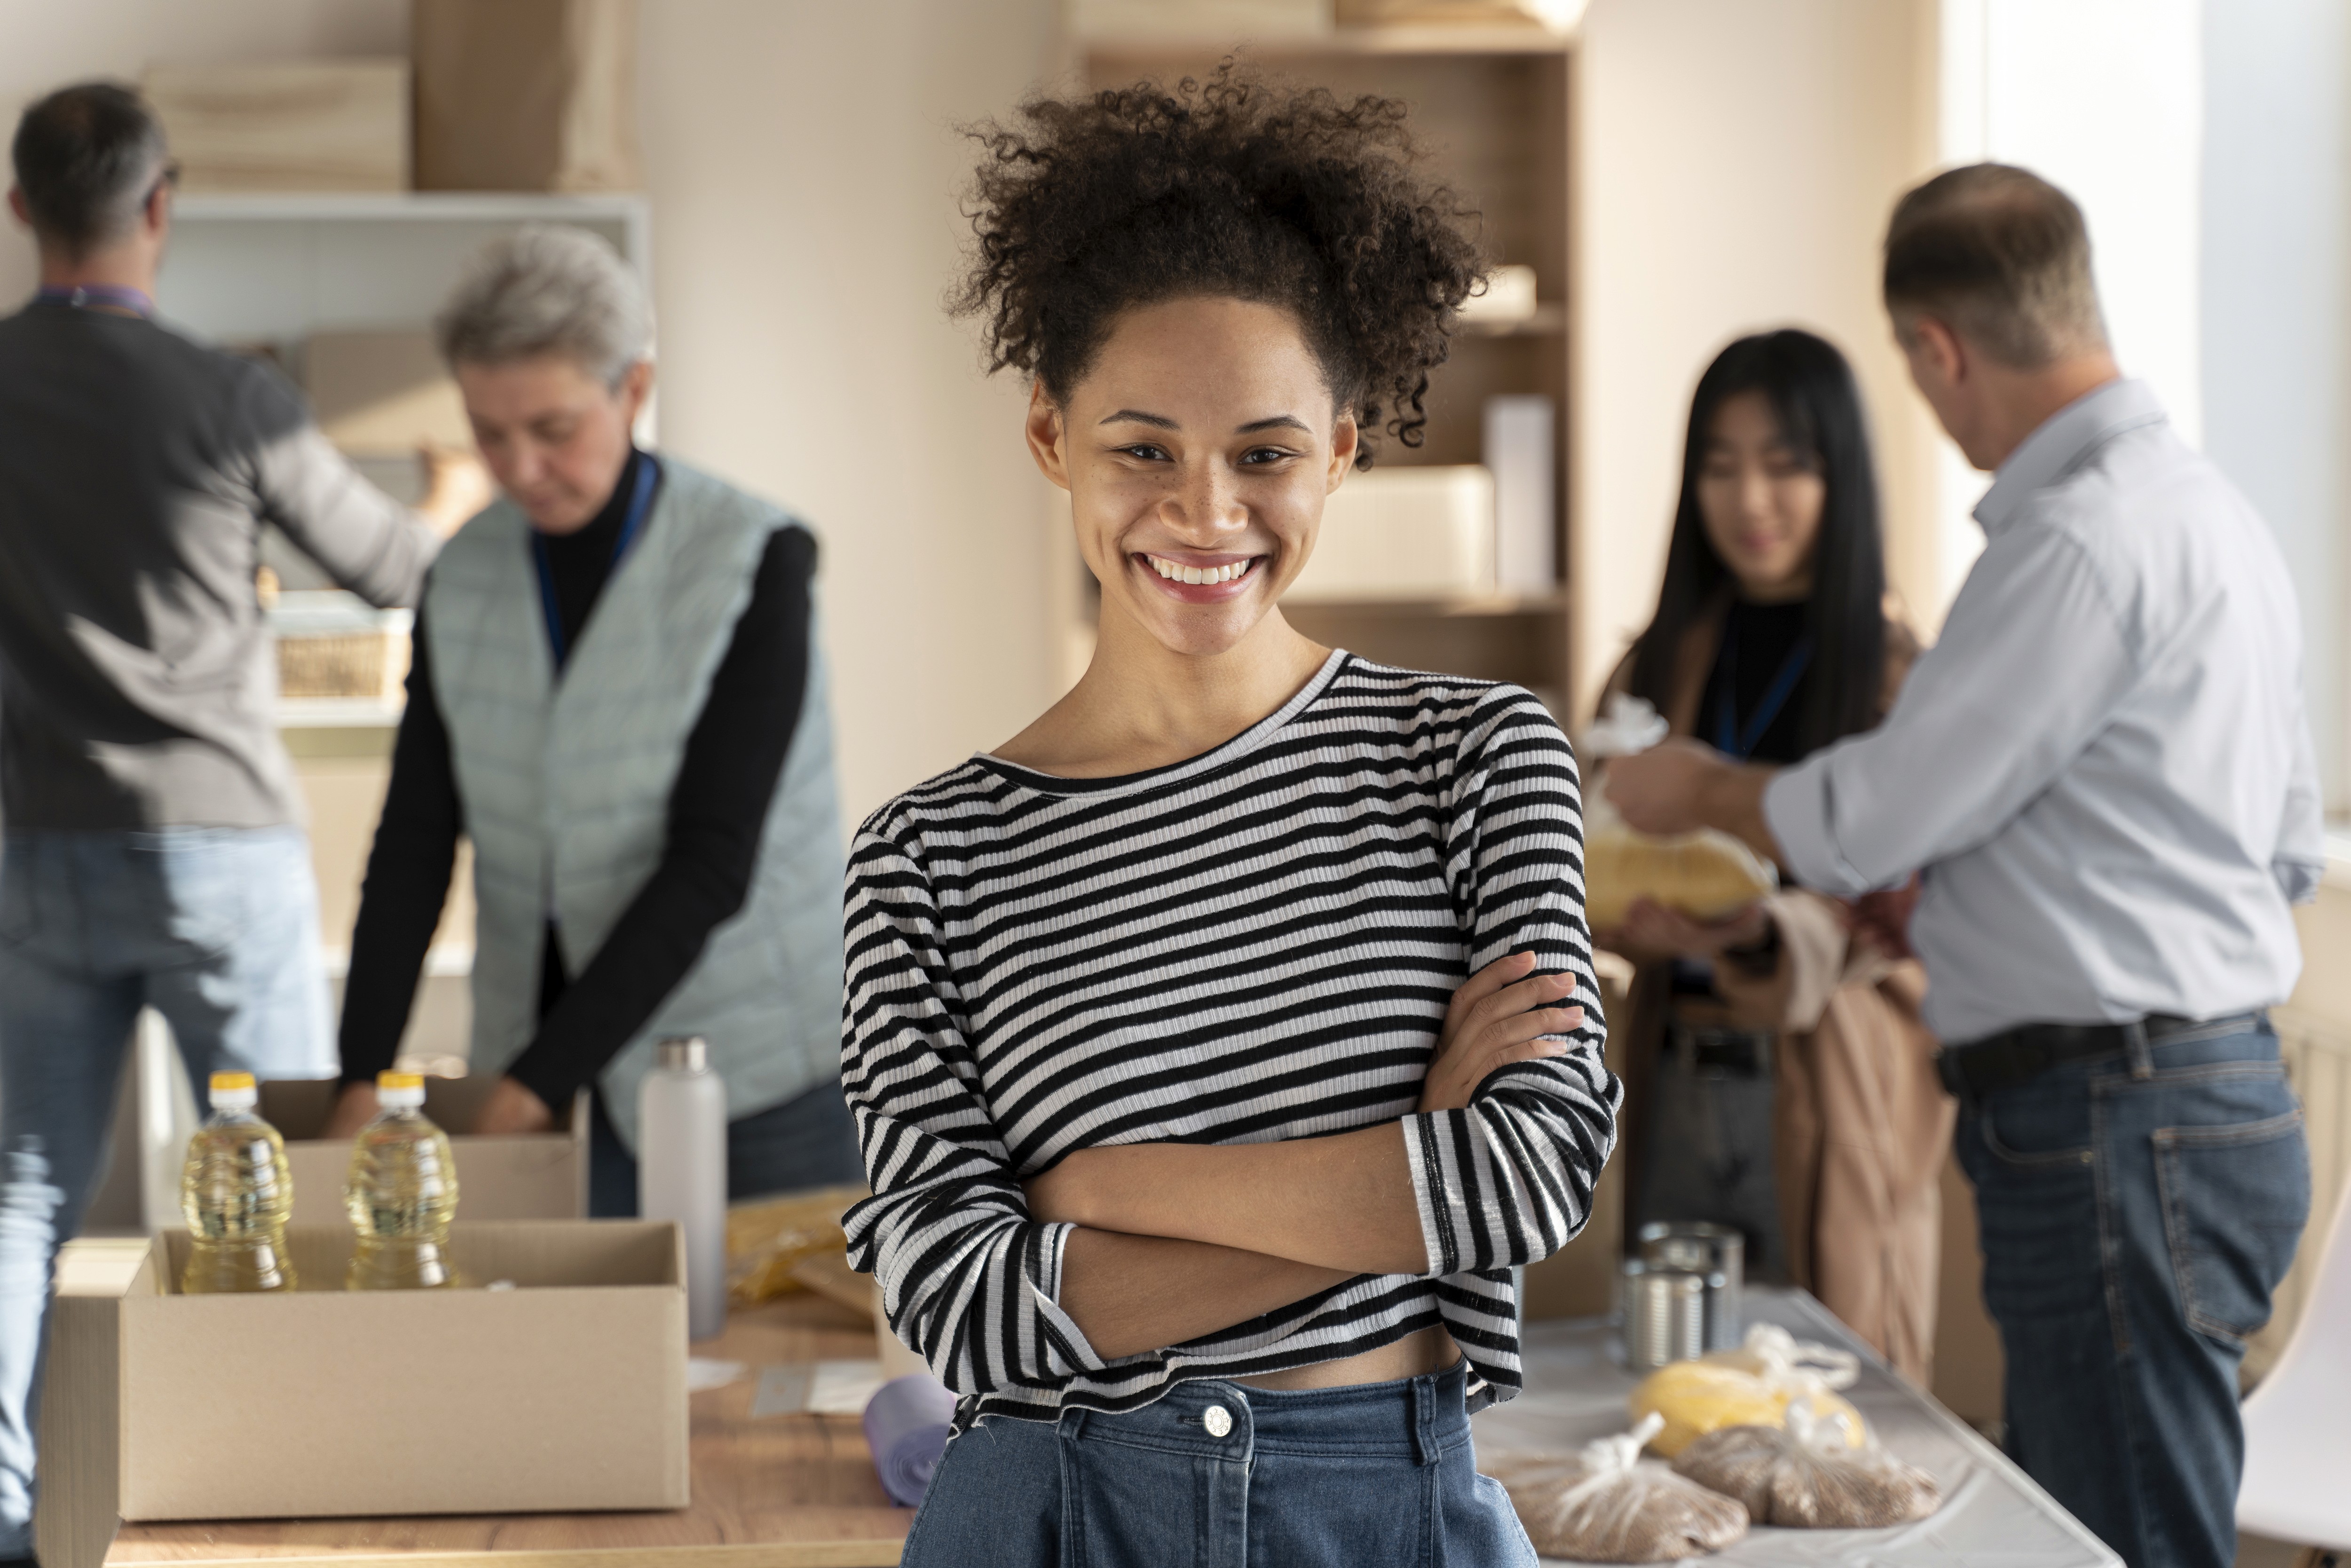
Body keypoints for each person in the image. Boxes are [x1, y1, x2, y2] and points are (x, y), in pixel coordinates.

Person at [841, 70, 1617, 1566]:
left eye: (1263, 453)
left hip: (1389, 1511)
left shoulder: (1477, 759)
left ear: (1338, 447)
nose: (1204, 515)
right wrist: (1410, 1156)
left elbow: (1529, 1173)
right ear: (1052, 438)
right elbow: (962, 1305)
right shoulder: (927, 862)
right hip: (1058, 1510)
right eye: (1144, 450)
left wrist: (1108, 1195)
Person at [1609, 164, 2318, 1568]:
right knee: (2128, 1508)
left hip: (2114, 1106)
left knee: (2115, 1532)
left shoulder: (2076, 540)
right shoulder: (2210, 517)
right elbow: (2289, 847)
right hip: (2201, 1090)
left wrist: (1699, 790)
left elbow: (1871, 820)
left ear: (1939, 351)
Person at [0, 82, 469, 1564]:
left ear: (18, 214)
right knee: (278, 1178)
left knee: (21, 1193)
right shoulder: (232, 399)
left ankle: (9, 1517)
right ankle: (309, 1492)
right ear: (162, 208)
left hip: (30, 850)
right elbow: (411, 578)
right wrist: (453, 491)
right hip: (217, 852)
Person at [326, 227, 861, 1212]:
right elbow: (414, 841)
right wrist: (361, 1069)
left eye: (554, 428)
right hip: (539, 1069)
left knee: (792, 1363)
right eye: (490, 433)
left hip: (752, 1075)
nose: (522, 468)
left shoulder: (755, 560)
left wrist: (536, 1081)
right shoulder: (465, 574)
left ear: (633, 389)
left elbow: (713, 861)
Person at [1596, 328, 1952, 1383]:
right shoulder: (1658, 654)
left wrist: (1766, 929)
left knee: (1832, 1398)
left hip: (1830, 1082)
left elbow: (1927, 909)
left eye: (1785, 462)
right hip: (1674, 1068)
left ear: (1839, 472)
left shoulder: (1898, 675)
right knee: (1672, 1389)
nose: (1751, 497)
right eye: (1720, 463)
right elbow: (1589, 833)